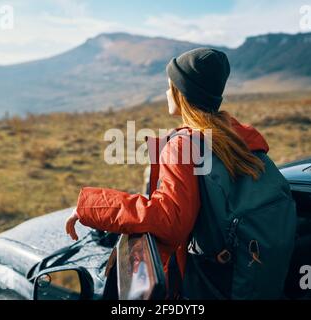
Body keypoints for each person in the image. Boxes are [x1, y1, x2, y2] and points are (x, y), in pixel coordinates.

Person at [65, 48, 293, 299]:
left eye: (169, 85)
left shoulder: (184, 145)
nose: (165, 92)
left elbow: (170, 219)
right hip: (241, 277)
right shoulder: (238, 137)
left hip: (207, 286)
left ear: (181, 92)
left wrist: (91, 207)